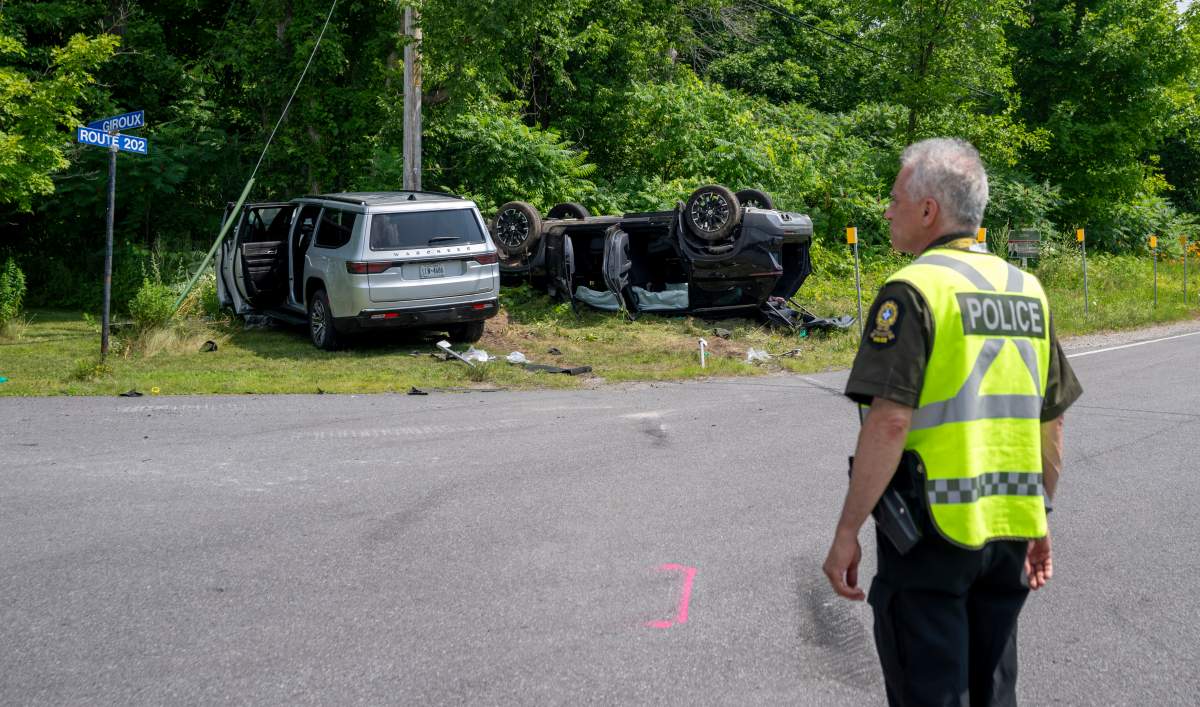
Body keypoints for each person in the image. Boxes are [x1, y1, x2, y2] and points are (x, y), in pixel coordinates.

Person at [821, 138, 1082, 706]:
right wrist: (1041, 517)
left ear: (928, 210)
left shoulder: (913, 291)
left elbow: (889, 424)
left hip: (929, 536)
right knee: (992, 690)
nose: (887, 210)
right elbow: (1050, 426)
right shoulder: (1027, 291)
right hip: (1010, 533)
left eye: (894, 198)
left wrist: (847, 532)